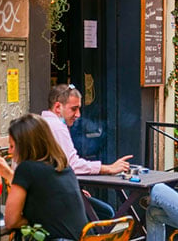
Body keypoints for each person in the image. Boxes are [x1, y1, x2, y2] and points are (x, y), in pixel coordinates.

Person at [0, 114, 105, 241]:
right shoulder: (64, 168)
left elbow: (11, 221)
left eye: (12, 146)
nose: (10, 152)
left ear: (25, 146)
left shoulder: (26, 168)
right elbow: (40, 193)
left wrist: (28, 219)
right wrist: (8, 174)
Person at [42, 84, 133, 220]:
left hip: (49, 194)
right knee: (105, 213)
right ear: (57, 107)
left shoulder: (43, 122)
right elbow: (73, 165)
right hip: (54, 199)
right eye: (74, 109)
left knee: (101, 211)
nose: (78, 114)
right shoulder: (57, 127)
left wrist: (74, 187)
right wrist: (108, 168)